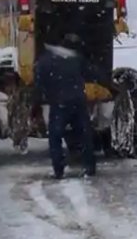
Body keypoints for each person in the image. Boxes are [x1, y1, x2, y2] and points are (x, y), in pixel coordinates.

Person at [33, 33, 96, 179]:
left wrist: (36, 104)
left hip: (59, 103)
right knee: (85, 134)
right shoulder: (76, 58)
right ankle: (89, 166)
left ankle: (58, 169)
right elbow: (90, 73)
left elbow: (39, 85)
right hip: (78, 101)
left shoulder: (44, 61)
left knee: (55, 136)